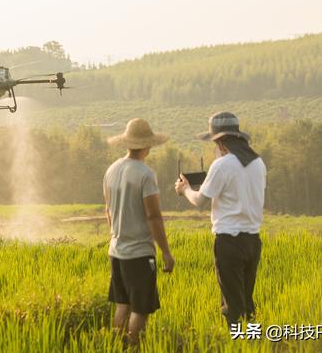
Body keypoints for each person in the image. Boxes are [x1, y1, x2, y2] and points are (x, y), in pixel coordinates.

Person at [175, 111, 266, 327]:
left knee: (232, 305)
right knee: (246, 301)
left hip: (229, 242)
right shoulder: (258, 163)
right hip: (253, 241)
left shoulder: (222, 165)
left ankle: (236, 343)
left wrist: (185, 189)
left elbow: (199, 201)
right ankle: (251, 342)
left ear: (220, 140)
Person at [104, 118, 175, 346]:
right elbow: (153, 215)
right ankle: (133, 347)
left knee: (122, 304)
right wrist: (165, 252)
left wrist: (115, 235)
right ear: (148, 145)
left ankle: (117, 347)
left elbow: (108, 210)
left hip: (116, 250)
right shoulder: (145, 174)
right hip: (139, 253)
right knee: (141, 309)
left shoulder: (112, 170)